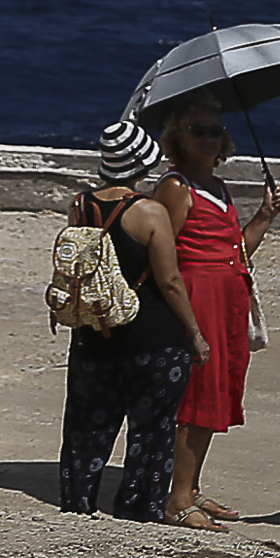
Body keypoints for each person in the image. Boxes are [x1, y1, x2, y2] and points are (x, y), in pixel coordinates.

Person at [55, 115, 210, 523]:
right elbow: (170, 281)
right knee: (152, 430)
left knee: (87, 424)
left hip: (94, 333)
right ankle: (140, 507)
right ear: (142, 164)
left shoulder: (80, 204)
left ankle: (78, 501)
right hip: (151, 338)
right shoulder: (150, 212)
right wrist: (194, 333)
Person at [154, 105, 280, 530]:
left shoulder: (217, 186)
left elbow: (237, 248)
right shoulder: (177, 187)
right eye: (198, 130)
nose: (209, 138)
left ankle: (190, 488)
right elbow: (165, 254)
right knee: (196, 397)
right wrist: (187, 322)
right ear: (181, 137)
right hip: (199, 299)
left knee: (216, 392)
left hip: (228, 300)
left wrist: (266, 215)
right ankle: (177, 498)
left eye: (215, 130)